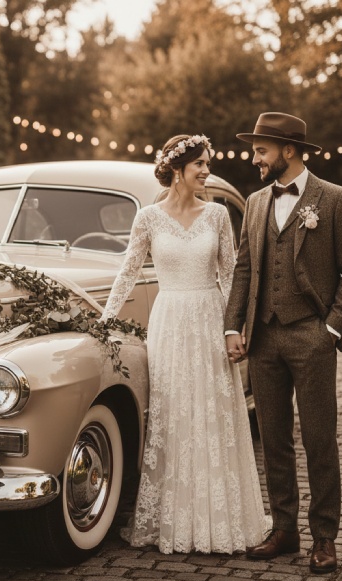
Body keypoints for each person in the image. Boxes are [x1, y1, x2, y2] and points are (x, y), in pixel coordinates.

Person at [101, 134, 269, 554]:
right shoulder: (148, 218)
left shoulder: (216, 215)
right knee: (174, 414)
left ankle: (221, 516)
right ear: (179, 169)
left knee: (214, 413)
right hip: (171, 321)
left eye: (207, 165)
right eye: (200, 165)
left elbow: (230, 274)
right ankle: (176, 518)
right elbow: (127, 271)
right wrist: (104, 319)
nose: (207, 171)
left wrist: (236, 327)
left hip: (211, 317)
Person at [225, 112, 342, 573]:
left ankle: (324, 537)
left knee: (319, 439)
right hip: (264, 338)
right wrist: (234, 327)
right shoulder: (256, 201)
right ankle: (285, 529)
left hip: (312, 334)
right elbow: (245, 269)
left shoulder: (335, 199)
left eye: (261, 150)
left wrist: (330, 327)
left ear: (288, 150)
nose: (254, 158)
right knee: (274, 439)